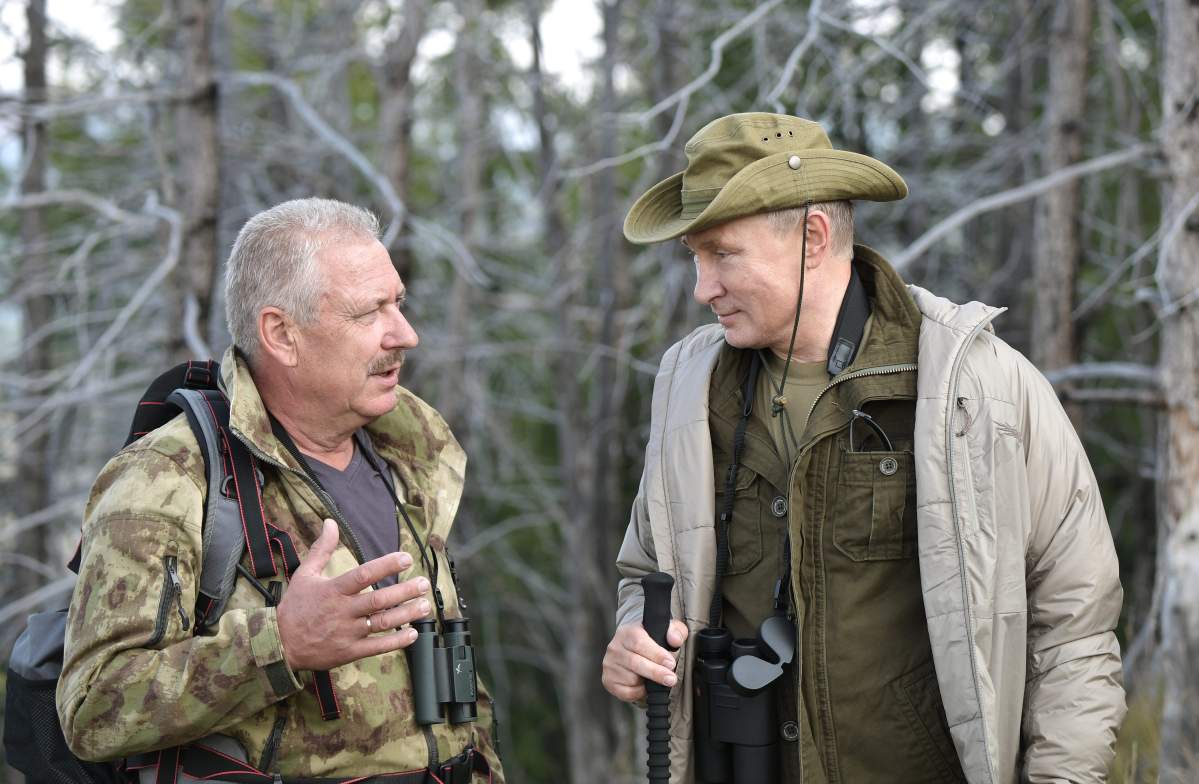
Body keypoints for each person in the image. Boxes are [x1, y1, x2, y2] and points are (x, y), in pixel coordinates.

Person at [601, 113, 1125, 783]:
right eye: (694, 257)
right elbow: (647, 568)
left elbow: (1073, 628)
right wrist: (634, 640)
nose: (703, 287)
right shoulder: (687, 385)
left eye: (722, 254)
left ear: (811, 238)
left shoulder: (977, 387)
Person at [58, 198, 503, 781]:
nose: (406, 335)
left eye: (399, 303)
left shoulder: (411, 458)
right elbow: (92, 708)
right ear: (282, 334)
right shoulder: (168, 476)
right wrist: (281, 644)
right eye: (369, 313)